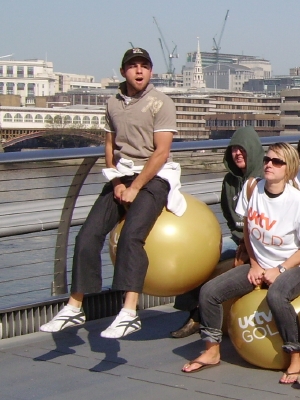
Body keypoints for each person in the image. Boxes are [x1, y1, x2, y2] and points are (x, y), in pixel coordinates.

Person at [40, 47, 186, 338]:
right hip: (122, 175)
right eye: (133, 66)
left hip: (154, 177)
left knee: (131, 236)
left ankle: (129, 311)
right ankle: (74, 306)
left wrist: (135, 187)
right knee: (87, 236)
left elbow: (161, 153)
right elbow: (109, 147)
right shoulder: (112, 103)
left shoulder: (161, 103)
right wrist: (118, 182)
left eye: (145, 65)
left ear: (151, 71)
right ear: (123, 72)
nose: (139, 70)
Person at [181, 142, 300, 385]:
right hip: (260, 263)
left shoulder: (296, 201)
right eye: (267, 159)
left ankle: (295, 357)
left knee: (277, 296)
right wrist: (255, 264)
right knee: (209, 292)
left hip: (292, 265)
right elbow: (247, 228)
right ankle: (212, 350)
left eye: (277, 162)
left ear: (289, 168)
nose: (268, 164)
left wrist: (280, 269)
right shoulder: (251, 188)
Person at [171, 126, 264, 338]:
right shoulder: (229, 181)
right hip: (236, 237)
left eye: (243, 149)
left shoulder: (265, 178)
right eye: (233, 149)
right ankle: (193, 313)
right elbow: (227, 211)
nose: (238, 153)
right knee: (198, 259)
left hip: (258, 243)